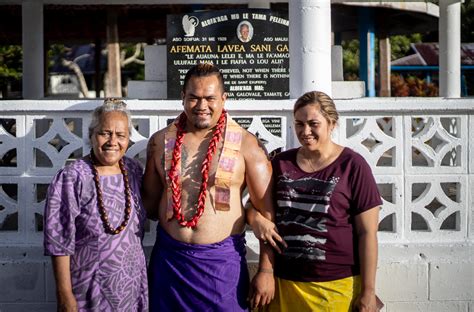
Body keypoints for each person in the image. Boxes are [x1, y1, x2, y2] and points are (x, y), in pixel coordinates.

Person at [143, 63, 277, 311]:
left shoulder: (248, 146)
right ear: (183, 97)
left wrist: (266, 270)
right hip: (170, 263)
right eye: (194, 97)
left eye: (210, 98)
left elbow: (267, 215)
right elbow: (149, 205)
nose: (202, 106)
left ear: (224, 99)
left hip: (221, 267)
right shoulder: (159, 142)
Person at [248, 91, 382, 312]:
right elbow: (255, 206)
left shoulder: (353, 166)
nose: (305, 131)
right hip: (284, 284)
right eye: (299, 124)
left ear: (332, 124)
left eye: (313, 124)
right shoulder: (280, 162)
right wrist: (255, 220)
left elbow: (367, 233)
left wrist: (368, 291)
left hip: (336, 287)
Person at [43, 99, 148, 312]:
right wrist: (64, 294)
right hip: (90, 289)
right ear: (91, 135)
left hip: (131, 287)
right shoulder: (72, 177)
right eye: (104, 133)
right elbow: (59, 240)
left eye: (121, 135)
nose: (112, 141)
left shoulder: (133, 169)